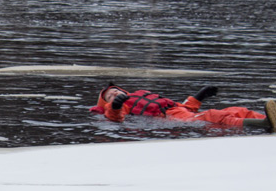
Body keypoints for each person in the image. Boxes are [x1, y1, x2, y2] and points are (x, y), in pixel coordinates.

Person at [90, 83, 276, 133]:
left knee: (237, 110)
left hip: (182, 113)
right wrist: (115, 105)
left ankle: (268, 117)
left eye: (115, 92)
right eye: (109, 96)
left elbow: (183, 107)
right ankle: (264, 124)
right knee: (214, 115)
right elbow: (116, 117)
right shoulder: (123, 105)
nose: (114, 94)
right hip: (173, 121)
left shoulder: (140, 93)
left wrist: (199, 96)